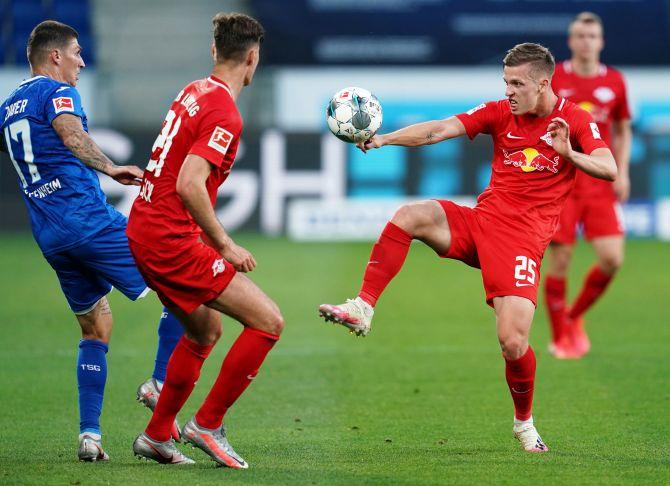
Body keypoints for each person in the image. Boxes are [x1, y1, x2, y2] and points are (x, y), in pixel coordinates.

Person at [319, 42, 616, 453]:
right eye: (505, 82)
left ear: (543, 83)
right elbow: (438, 129)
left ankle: (524, 425)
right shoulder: (499, 112)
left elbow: (609, 168)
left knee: (513, 343)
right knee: (411, 215)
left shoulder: (574, 120)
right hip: (481, 224)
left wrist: (569, 153)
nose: (508, 91)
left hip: (523, 243)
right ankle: (362, 307)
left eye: (517, 83)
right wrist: (385, 140)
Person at [0, 20, 181, 461]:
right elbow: (71, 132)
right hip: (89, 221)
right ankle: (158, 385)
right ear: (54, 56)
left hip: (50, 237)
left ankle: (90, 436)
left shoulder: (8, 106)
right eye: (77, 52)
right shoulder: (55, 92)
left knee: (96, 326)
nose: (82, 60)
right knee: (182, 287)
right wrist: (111, 167)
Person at [127, 12, 284, 468]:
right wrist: (225, 244)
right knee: (268, 322)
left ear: (215, 51)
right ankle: (207, 424)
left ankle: (157, 435)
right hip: (169, 240)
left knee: (204, 329)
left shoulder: (193, 91)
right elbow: (190, 184)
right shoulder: (224, 112)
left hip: (143, 229)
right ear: (252, 58)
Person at [544, 12, 632, 359]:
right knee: (561, 261)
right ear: (571, 41)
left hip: (599, 183)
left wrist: (621, 171)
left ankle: (573, 315)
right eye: (581, 35)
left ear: (601, 42)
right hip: (564, 184)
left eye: (592, 36)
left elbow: (623, 130)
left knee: (612, 259)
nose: (586, 41)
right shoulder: (555, 79)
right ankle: (560, 338)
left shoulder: (615, 81)